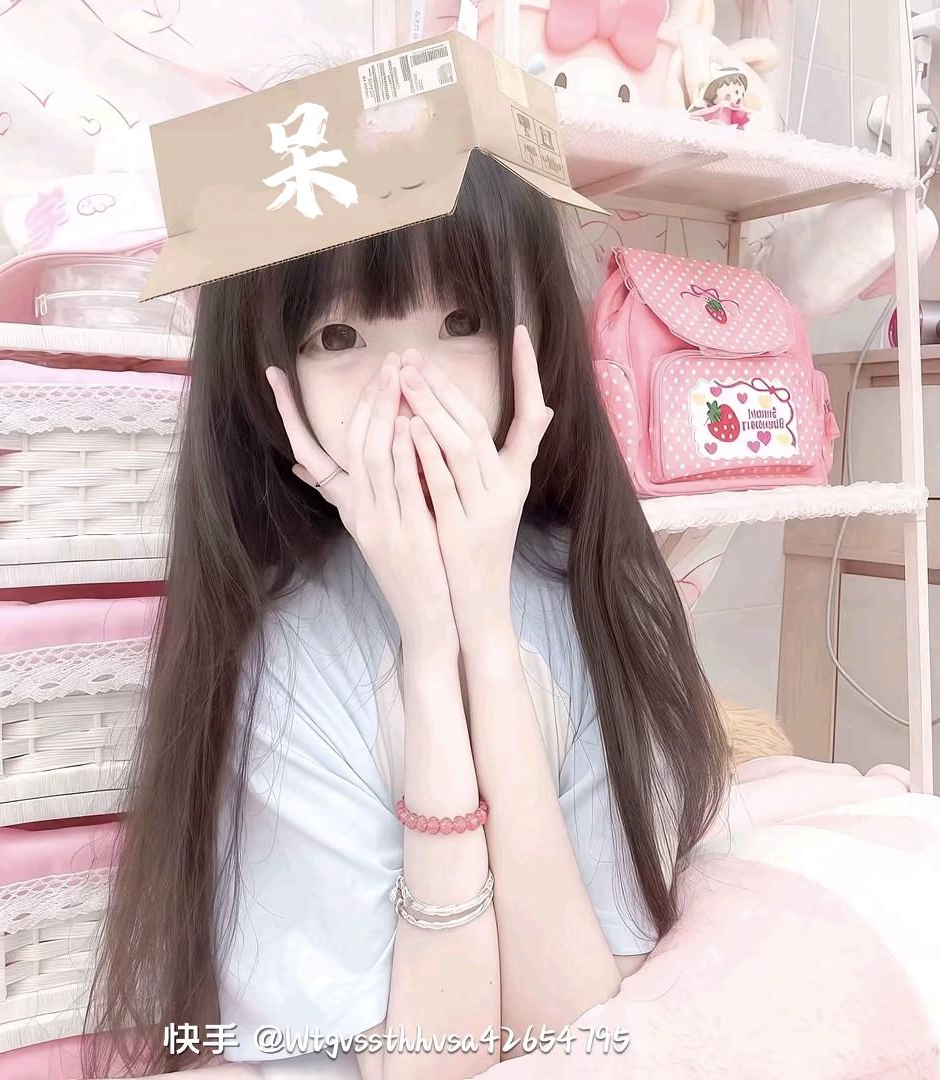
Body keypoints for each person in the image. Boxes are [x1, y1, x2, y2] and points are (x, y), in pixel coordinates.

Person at [84, 150, 733, 1079]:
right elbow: (426, 1064)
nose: (405, 392)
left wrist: (484, 632)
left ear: (537, 341)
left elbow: (575, 1033)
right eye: (338, 336)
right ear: (271, 381)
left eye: (460, 323)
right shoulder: (288, 650)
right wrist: (430, 654)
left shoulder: (605, 594)